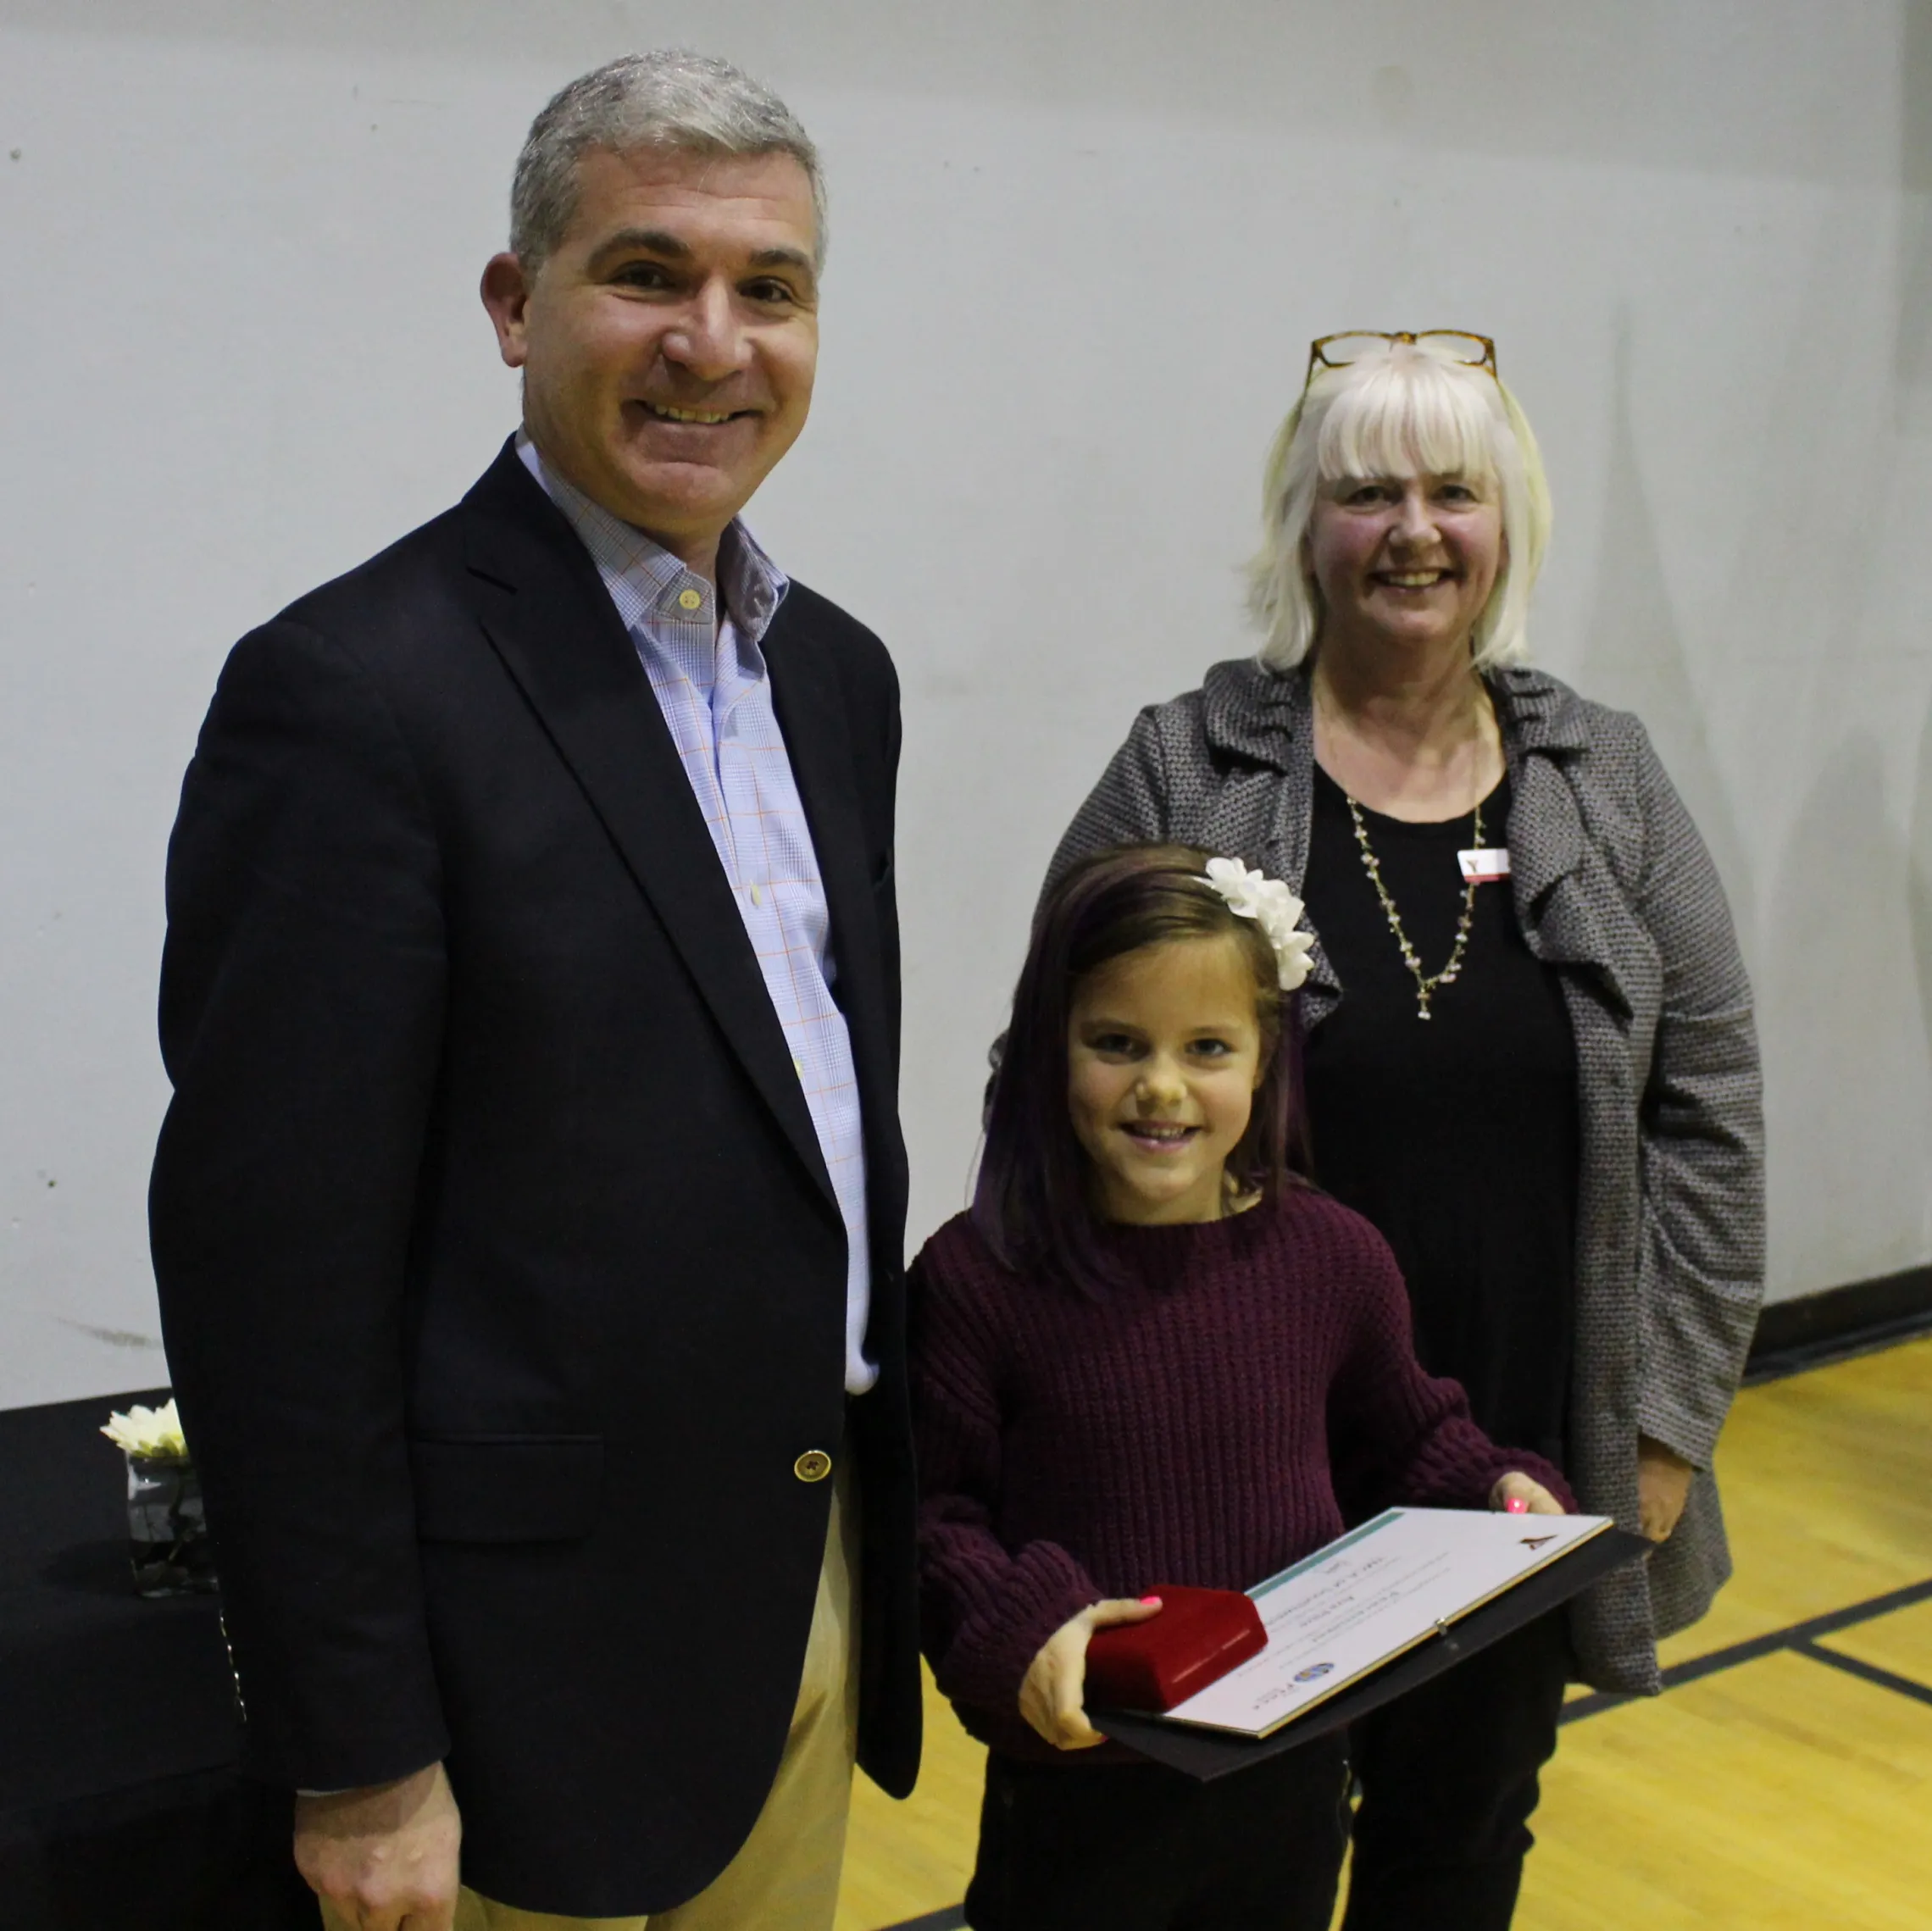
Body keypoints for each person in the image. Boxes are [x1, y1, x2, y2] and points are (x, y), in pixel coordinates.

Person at [148, 50, 919, 1931]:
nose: (712, 342)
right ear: (516, 305)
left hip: (793, 1601)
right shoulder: (354, 693)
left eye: (772, 289)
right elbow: (273, 1277)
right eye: (647, 272)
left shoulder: (837, 676)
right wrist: (358, 1748)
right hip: (511, 1692)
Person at [1045, 331, 1765, 1928]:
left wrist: (1654, 1428)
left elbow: (1710, 1107)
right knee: (1223, 1856)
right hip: (1239, 1455)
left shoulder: (1607, 777)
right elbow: (1049, 1077)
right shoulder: (1189, 764)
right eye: (1368, 491)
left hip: (1509, 1463)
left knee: (1460, 1838)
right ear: (1305, 525)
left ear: (1509, 524)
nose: (1415, 529)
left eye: (1456, 489)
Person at [911, 843, 1575, 1931]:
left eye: (1206, 1046)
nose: (1162, 1085)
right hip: (1081, 1796)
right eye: (1117, 1043)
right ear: (1050, 1049)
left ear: (1267, 1058)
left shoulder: (1333, 1256)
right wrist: (1021, 1625)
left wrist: (1497, 1488)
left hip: (1292, 1781)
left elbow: (1409, 1437)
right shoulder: (977, 1280)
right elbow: (935, 1520)